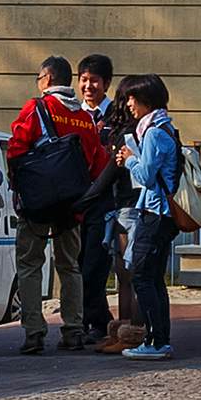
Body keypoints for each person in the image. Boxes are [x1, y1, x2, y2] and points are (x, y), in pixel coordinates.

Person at [2, 55, 112, 354]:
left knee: (29, 264)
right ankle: (74, 329)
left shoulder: (36, 108)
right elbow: (98, 162)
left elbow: (15, 148)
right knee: (70, 266)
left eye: (39, 77)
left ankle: (34, 332)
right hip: (71, 204)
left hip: (38, 202)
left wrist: (20, 187)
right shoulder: (84, 118)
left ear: (47, 79)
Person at [116, 74, 186, 360]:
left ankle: (156, 341)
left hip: (155, 212)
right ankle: (159, 338)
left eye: (133, 98)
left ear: (147, 99)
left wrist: (129, 158)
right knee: (154, 278)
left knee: (143, 276)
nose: (129, 104)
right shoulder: (162, 128)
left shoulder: (155, 133)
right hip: (160, 212)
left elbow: (145, 175)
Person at [71, 54, 124, 344]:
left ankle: (96, 322)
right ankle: (89, 319)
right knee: (75, 263)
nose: (88, 86)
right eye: (83, 80)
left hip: (106, 201)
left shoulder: (116, 115)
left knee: (95, 263)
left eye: (94, 80)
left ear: (106, 83)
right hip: (75, 200)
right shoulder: (71, 115)